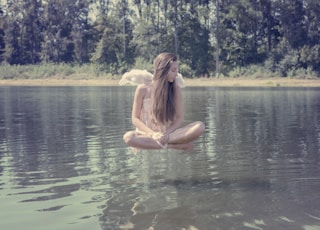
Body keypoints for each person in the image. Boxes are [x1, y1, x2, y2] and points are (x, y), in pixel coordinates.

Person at [122, 52, 205, 151]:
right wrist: (153, 134)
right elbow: (135, 118)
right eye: (173, 70)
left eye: (176, 70)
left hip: (168, 134)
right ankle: (175, 145)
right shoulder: (143, 89)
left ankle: (159, 143)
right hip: (146, 134)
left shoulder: (175, 88)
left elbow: (179, 118)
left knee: (200, 126)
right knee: (128, 137)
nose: (176, 74)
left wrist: (166, 133)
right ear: (163, 70)